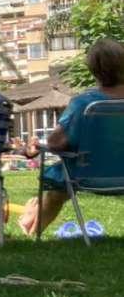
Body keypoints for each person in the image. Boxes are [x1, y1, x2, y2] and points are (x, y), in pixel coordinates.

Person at [20, 38, 124, 236]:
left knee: (61, 184)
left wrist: (40, 146)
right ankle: (30, 224)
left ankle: (34, 231)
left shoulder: (84, 103)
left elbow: (55, 143)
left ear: (94, 69)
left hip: (89, 175)